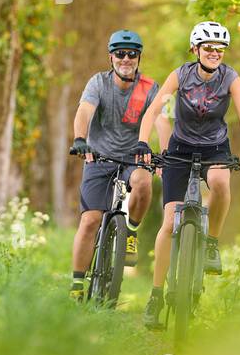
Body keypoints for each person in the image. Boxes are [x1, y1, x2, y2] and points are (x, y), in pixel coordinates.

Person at [133, 21, 240, 329]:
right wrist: (141, 141)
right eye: (209, 48)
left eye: (220, 49)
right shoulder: (181, 75)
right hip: (181, 148)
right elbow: (154, 109)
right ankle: (156, 295)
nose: (215, 53)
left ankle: (212, 244)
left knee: (219, 183)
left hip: (216, 147)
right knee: (170, 219)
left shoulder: (230, 78)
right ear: (195, 50)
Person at [68, 29, 172, 302]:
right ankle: (77, 285)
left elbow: (160, 120)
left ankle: (131, 234)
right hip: (98, 156)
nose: (126, 59)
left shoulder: (149, 87)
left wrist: (166, 153)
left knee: (143, 182)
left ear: (139, 57)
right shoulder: (98, 83)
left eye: (132, 54)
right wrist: (80, 139)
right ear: (111, 57)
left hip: (134, 157)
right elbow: (84, 111)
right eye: (120, 54)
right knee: (90, 220)